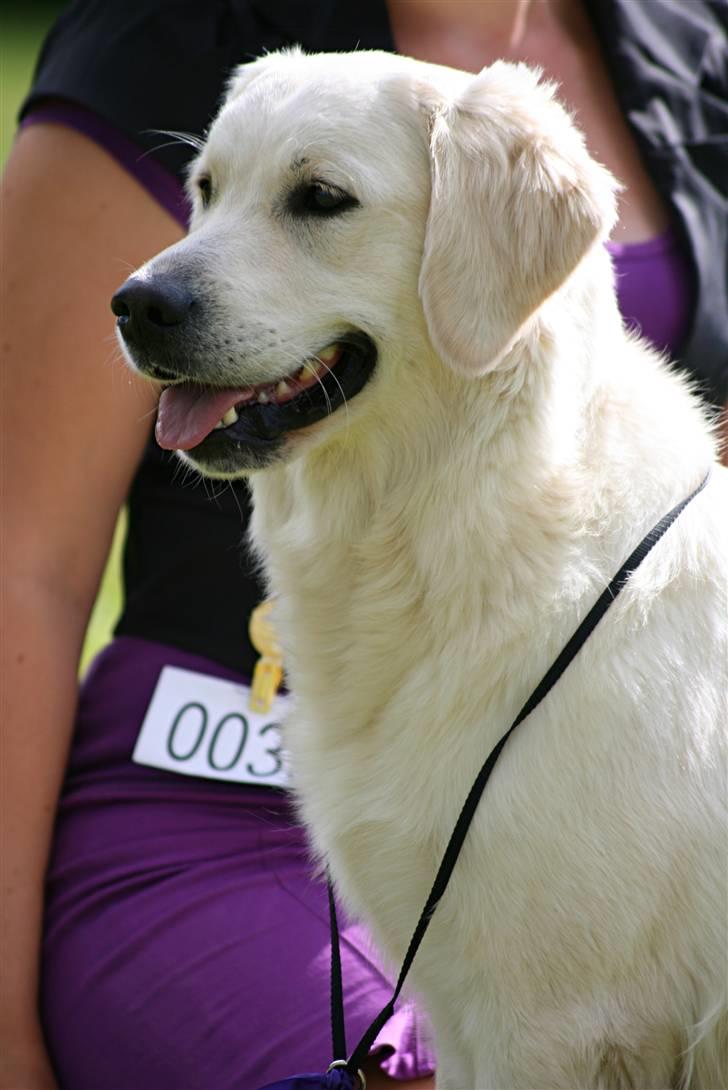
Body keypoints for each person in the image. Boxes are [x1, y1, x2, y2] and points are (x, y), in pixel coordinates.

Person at [2, 2, 726, 1088]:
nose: (173, 271)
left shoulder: (692, 42)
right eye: (205, 192)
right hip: (204, 797)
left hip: (585, 754)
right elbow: (22, 563)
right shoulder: (169, 35)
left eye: (318, 203)